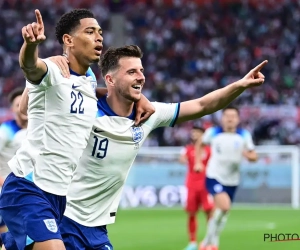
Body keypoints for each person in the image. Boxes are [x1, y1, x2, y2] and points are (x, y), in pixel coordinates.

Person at [37, 45, 266, 250]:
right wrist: (53, 62)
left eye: (141, 71)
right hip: (64, 218)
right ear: (110, 79)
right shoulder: (84, 110)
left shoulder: (149, 115)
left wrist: (240, 85)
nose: (141, 77)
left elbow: (202, 105)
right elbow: (44, 88)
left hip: (97, 229)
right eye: (131, 72)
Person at [0, 9, 153, 250]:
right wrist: (31, 46)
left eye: (100, 32)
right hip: (28, 186)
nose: (99, 37)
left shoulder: (89, 80)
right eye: (90, 32)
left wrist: (137, 99)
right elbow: (31, 67)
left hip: (59, 196)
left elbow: (94, 93)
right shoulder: (54, 70)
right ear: (68, 40)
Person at [199, 107, 258, 250]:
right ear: (222, 118)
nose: (230, 119)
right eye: (227, 116)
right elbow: (200, 143)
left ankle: (208, 241)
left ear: (238, 119)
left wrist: (248, 155)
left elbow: (254, 156)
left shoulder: (244, 135)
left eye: (233, 116)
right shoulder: (213, 133)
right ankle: (212, 243)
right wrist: (197, 161)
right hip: (214, 176)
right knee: (225, 206)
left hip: (232, 180)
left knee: (222, 212)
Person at [179, 126, 213, 250]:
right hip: (191, 185)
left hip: (206, 185)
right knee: (191, 213)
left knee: (209, 212)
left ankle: (210, 240)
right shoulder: (188, 149)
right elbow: (181, 160)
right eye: (193, 133)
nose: (194, 135)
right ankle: (192, 242)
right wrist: (184, 157)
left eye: (197, 133)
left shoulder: (209, 149)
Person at [0, 88, 28, 241]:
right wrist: (4, 182)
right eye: (18, 105)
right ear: (12, 109)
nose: (23, 108)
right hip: (5, 190)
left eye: (25, 103)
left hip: (24, 190)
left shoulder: (34, 131)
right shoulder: (5, 131)